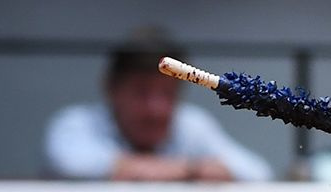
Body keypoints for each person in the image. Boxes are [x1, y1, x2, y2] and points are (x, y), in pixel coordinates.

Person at [44, 29, 272, 182]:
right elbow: (69, 164)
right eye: (142, 93)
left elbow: (259, 173)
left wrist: (215, 171)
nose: (156, 109)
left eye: (167, 93)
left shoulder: (191, 125)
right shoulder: (76, 124)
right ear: (111, 89)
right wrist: (189, 170)